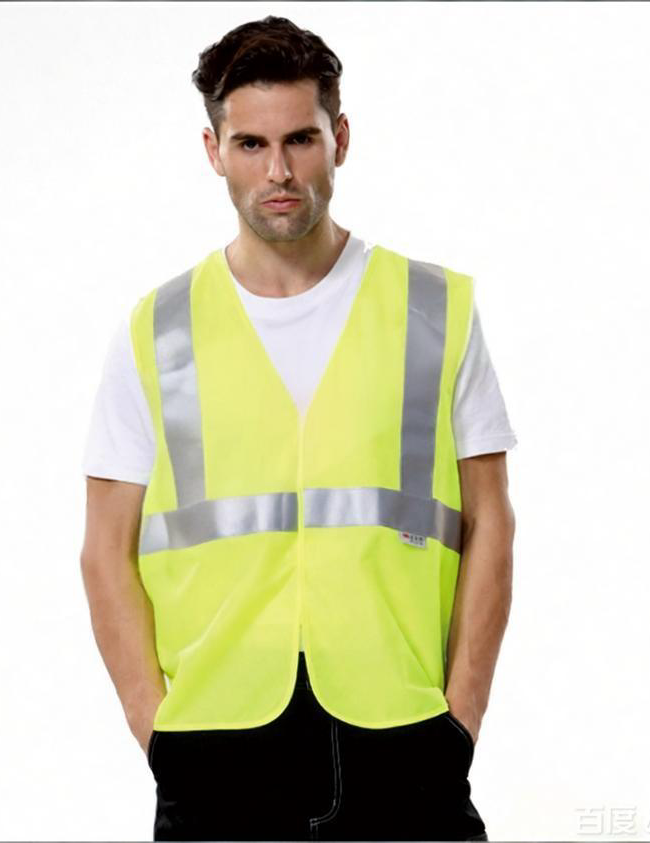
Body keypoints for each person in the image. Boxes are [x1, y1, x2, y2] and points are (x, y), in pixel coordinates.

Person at [80, 15, 517, 843]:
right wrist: (160, 733)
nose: (278, 171)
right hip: (214, 742)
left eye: (300, 140)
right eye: (250, 144)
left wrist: (459, 721)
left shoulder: (434, 308)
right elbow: (105, 547)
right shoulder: (158, 329)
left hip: (404, 734)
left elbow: (491, 519)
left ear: (339, 138)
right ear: (213, 150)